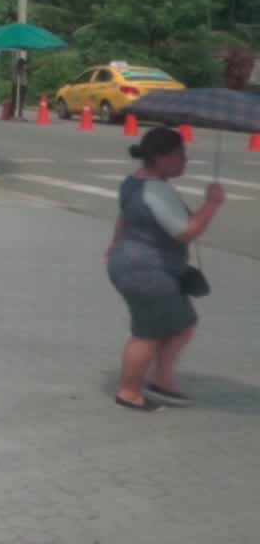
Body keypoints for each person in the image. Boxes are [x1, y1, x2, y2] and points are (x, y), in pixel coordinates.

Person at [107, 126, 226, 411]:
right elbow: (185, 232)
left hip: (132, 263)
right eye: (180, 154)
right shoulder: (155, 190)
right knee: (148, 333)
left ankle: (161, 380)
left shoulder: (134, 181)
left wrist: (114, 247)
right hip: (148, 271)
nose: (185, 160)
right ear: (161, 157)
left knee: (182, 323)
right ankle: (129, 392)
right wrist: (212, 204)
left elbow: (125, 218)